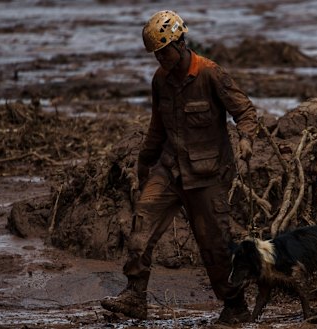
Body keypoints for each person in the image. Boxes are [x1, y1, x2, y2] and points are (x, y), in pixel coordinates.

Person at [100, 10, 257, 324]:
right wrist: (144, 164)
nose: (160, 58)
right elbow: (157, 129)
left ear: (181, 42)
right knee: (141, 226)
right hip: (169, 170)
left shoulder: (211, 74)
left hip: (208, 175)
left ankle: (235, 306)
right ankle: (134, 297)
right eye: (155, 54)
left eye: (164, 51)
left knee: (215, 249)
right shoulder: (160, 81)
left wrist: (246, 141)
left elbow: (246, 112)